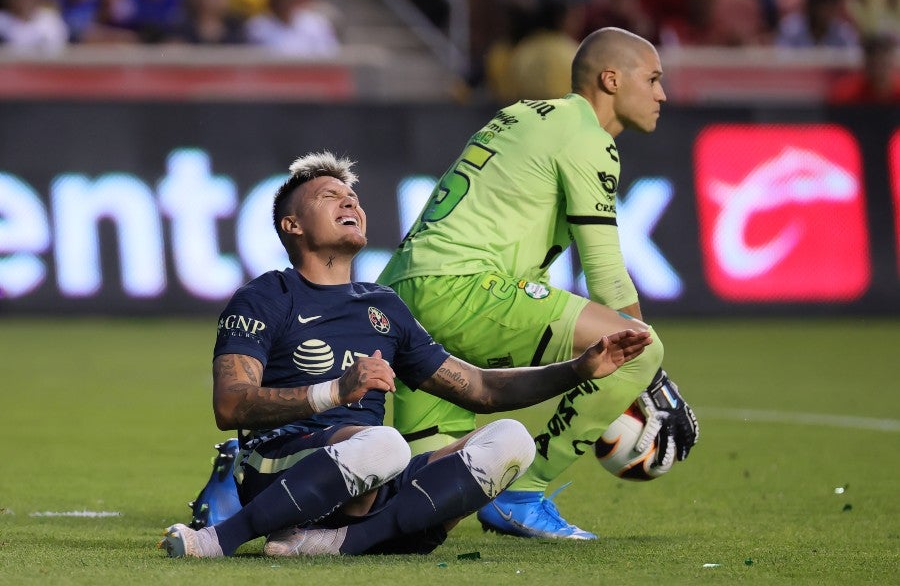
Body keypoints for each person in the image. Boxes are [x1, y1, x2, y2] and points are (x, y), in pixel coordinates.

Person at [158, 151, 653, 558]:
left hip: (371, 480)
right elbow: (230, 405)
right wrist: (334, 392)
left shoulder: (383, 306)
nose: (349, 201)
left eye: (352, 195)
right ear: (293, 225)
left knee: (510, 442)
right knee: (386, 443)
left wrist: (580, 368)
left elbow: (480, 389)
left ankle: (340, 544)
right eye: (329, 196)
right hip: (279, 469)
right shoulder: (266, 296)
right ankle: (218, 539)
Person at [377, 27, 699, 540]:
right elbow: (609, 280)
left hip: (401, 297)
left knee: (420, 505)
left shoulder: (523, 115)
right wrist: (648, 376)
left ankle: (249, 477)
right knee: (639, 348)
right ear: (611, 79)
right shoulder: (587, 138)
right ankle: (525, 493)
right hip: (461, 289)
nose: (662, 94)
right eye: (654, 79)